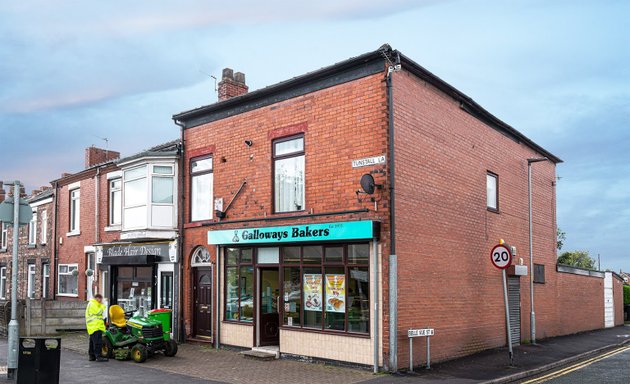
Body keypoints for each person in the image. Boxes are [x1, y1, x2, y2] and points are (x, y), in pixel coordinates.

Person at [85, 293, 108, 362]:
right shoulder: (93, 304)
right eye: (100, 299)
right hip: (95, 326)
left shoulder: (92, 303)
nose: (101, 301)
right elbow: (98, 312)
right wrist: (103, 305)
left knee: (92, 342)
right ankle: (98, 356)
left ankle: (92, 356)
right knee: (98, 342)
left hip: (93, 326)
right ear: (97, 298)